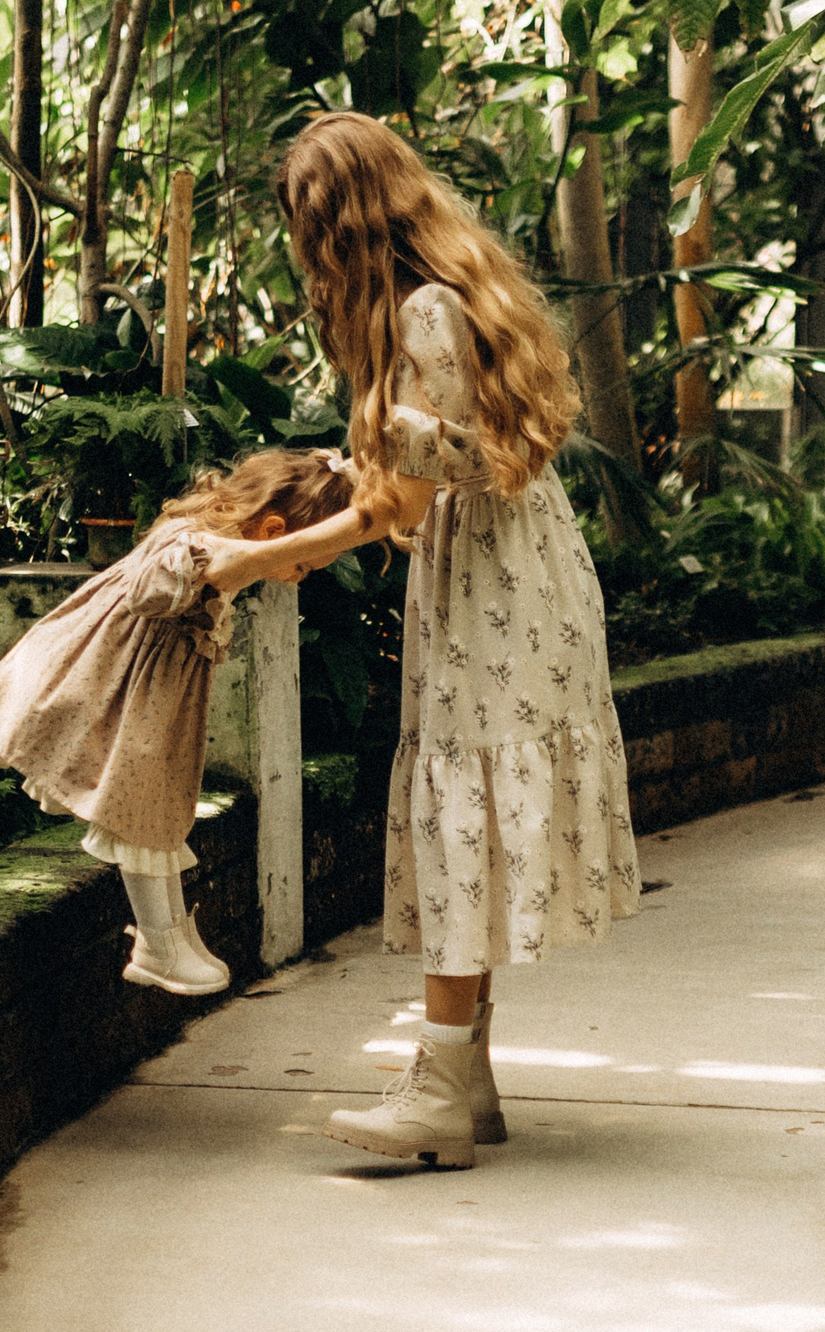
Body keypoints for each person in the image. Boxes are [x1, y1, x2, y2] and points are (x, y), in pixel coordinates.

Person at [201, 112, 641, 1169]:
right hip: (512, 580)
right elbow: (440, 467)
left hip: (496, 592)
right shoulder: (447, 300)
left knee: (460, 817)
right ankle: (465, 1074)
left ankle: (440, 1082)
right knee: (468, 811)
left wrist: (239, 564)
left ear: (333, 229)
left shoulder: (422, 317)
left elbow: (383, 510)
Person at [0, 447, 358, 996]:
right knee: (136, 807)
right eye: (302, 564)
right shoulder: (199, 550)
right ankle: (158, 942)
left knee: (156, 805)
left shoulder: (215, 545)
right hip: (109, 688)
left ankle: (170, 936)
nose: (295, 579)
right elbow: (153, 592)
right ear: (271, 530)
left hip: (149, 699)